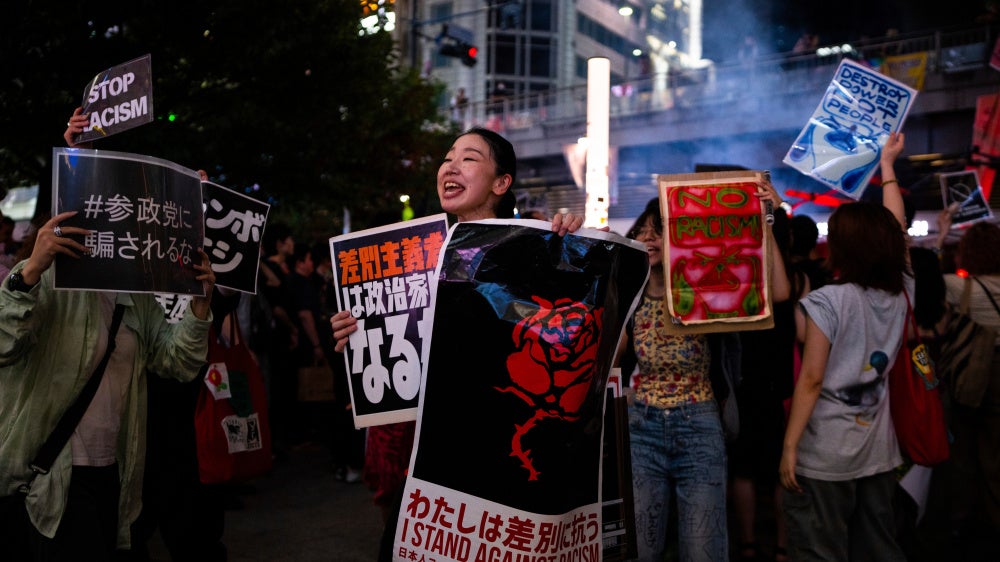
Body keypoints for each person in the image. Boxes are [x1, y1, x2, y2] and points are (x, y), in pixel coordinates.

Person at [329, 127, 583, 560]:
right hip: (429, 453)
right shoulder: (414, 258)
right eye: (448, 157)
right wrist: (359, 335)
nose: (450, 165)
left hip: (499, 452)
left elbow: (578, 333)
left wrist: (575, 247)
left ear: (502, 183)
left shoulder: (533, 250)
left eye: (469, 158)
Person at [0, 211, 215, 561]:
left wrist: (200, 305)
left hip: (115, 469)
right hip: (53, 476)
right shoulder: (45, 276)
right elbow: (3, 345)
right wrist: (30, 271)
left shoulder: (134, 295)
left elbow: (178, 362)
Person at [617, 180, 789, 562]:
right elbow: (614, 357)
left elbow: (776, 293)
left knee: (703, 549)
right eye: (641, 230)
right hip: (641, 426)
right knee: (641, 547)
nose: (647, 237)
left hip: (698, 424)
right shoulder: (630, 296)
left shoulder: (703, 291)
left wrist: (766, 219)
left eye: (658, 230)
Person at [778, 131, 910, 561]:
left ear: (841, 248)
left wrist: (791, 446)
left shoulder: (828, 300)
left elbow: (812, 379)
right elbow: (898, 232)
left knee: (819, 552)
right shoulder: (900, 292)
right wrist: (887, 166)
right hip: (878, 453)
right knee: (879, 549)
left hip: (825, 456)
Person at [730, 207, 802, 562]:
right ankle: (777, 546)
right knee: (768, 471)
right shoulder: (791, 275)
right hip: (765, 385)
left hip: (759, 384)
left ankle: (758, 544)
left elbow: (781, 294)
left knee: (752, 469)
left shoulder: (745, 271)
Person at [931, 211, 1000, 557]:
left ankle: (961, 523)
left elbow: (922, 278)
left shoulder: (961, 287)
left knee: (962, 452)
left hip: (971, 377)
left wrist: (942, 237)